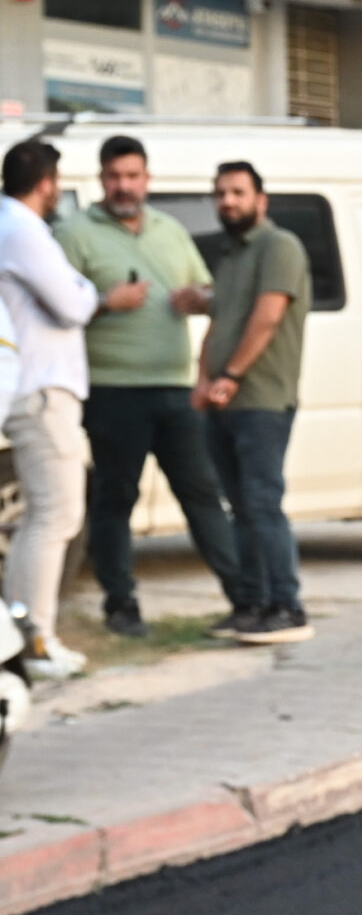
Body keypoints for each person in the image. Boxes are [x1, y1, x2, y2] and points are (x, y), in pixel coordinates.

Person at [58, 136, 253, 640]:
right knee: (115, 499)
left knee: (202, 495)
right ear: (101, 180)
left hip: (174, 388)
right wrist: (106, 302)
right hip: (112, 390)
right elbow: (54, 306)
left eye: (133, 176)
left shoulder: (170, 229)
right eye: (115, 176)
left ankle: (244, 600)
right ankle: (121, 608)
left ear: (147, 180)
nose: (125, 186)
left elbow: (213, 292)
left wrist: (200, 297)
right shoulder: (74, 233)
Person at [0, 140, 146, 677]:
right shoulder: (22, 229)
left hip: (31, 386)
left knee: (45, 515)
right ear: (46, 182)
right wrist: (90, 290)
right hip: (42, 390)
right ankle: (33, 640)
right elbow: (73, 302)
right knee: (56, 514)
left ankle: (24, 636)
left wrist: (79, 288)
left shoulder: (10, 226)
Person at [190, 161, 314, 645]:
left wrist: (230, 377)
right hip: (224, 400)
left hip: (262, 398)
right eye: (221, 193)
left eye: (238, 192)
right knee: (239, 506)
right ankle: (254, 606)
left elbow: (267, 317)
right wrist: (202, 380)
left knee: (263, 503)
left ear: (261, 200)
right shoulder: (231, 254)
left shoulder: (278, 246)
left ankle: (288, 606)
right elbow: (218, 324)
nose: (228, 201)